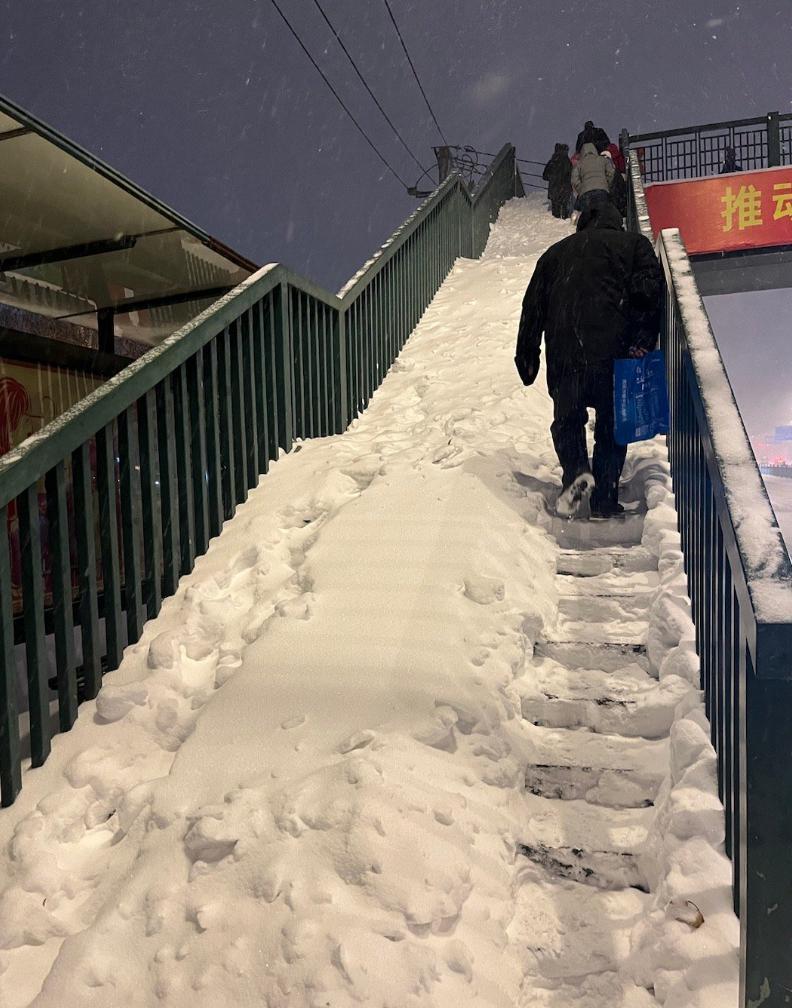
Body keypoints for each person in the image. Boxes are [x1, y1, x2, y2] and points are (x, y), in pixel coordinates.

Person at [513, 201, 664, 519]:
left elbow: (533, 309)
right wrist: (642, 340)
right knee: (611, 426)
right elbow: (649, 291)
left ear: (582, 224)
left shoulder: (554, 255)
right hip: (615, 352)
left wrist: (527, 356)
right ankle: (605, 497)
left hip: (566, 353)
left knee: (568, 421)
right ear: (616, 222)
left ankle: (577, 473)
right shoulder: (633, 245)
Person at [571, 142, 615, 215]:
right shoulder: (602, 159)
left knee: (589, 216)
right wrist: (606, 184)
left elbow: (574, 180)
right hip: (602, 191)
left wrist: (581, 189)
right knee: (603, 214)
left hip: (586, 194)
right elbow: (611, 172)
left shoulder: (579, 164)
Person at [542, 143, 573, 219]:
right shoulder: (567, 162)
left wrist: (553, 178)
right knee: (565, 211)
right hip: (565, 189)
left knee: (555, 214)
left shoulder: (552, 161)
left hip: (554, 190)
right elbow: (571, 175)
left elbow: (545, 176)